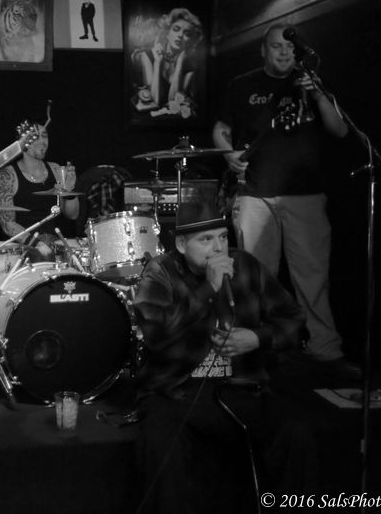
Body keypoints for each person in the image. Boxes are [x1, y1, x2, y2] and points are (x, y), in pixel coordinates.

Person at [131, 201, 317, 514]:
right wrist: (208, 289)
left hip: (242, 386)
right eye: (206, 240)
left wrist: (257, 337)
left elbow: (295, 321)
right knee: (162, 445)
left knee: (295, 434)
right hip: (176, 391)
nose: (218, 248)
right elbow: (156, 336)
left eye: (222, 237)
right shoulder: (160, 272)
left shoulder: (245, 265)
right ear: (181, 244)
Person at [212, 22, 359, 380]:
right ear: (263, 50)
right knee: (253, 281)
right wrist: (228, 153)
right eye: (276, 46)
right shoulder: (243, 84)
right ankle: (253, 355)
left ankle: (325, 351)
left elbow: (340, 130)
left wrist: (319, 95)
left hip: (305, 196)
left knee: (312, 278)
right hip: (255, 195)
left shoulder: (311, 83)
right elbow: (221, 128)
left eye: (290, 48)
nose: (284, 52)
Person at [0, 124, 80, 260]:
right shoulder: (7, 175)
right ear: (22, 142)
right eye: (35, 137)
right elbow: (7, 223)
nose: (42, 141)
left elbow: (73, 214)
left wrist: (69, 189)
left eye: (44, 136)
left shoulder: (56, 169)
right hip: (23, 250)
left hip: (54, 244)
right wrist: (36, 244)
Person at [130, 7, 203, 119]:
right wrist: (157, 63)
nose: (180, 35)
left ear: (190, 41)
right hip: (147, 121)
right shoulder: (148, 55)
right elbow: (155, 101)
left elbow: (174, 104)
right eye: (176, 29)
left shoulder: (189, 68)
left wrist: (179, 64)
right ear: (167, 32)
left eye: (187, 34)